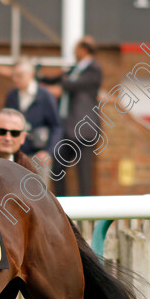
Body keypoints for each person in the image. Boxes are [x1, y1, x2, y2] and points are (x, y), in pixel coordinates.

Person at [38, 39, 102, 196]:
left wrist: (63, 78)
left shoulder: (93, 69)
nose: (74, 52)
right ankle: (62, 204)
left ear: (84, 50)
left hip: (84, 128)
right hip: (67, 128)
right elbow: (58, 79)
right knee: (58, 167)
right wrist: (40, 76)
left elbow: (70, 84)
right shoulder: (76, 69)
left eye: (76, 48)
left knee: (84, 172)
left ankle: (87, 211)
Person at [4, 59, 62, 164]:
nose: (15, 79)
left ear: (31, 74)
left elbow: (56, 127)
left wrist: (48, 152)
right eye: (14, 75)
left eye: (19, 75)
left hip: (39, 155)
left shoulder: (45, 96)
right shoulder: (12, 96)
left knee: (37, 181)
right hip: (17, 154)